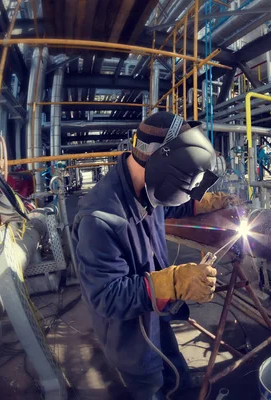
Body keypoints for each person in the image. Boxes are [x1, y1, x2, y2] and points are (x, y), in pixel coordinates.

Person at [72, 112, 240, 399]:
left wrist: (204, 202)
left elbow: (170, 204)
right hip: (130, 336)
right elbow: (106, 297)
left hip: (157, 313)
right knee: (150, 384)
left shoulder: (149, 187)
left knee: (177, 372)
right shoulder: (98, 219)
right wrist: (172, 283)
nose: (184, 192)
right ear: (163, 166)